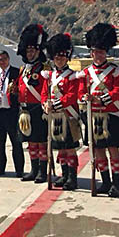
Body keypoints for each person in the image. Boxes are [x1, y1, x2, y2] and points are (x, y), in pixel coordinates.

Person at [78, 23, 119, 198]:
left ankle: (117, 184)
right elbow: (80, 92)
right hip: (93, 116)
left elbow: (118, 91)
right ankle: (105, 181)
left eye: (101, 52)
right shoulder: (85, 72)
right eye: (95, 52)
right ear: (91, 53)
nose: (98, 55)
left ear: (105, 52)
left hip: (110, 115)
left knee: (113, 150)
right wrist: (86, 98)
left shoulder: (115, 71)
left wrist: (100, 99)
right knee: (98, 150)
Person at [41, 34, 81, 190]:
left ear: (67, 58)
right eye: (57, 57)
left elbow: (72, 96)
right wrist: (45, 104)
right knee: (60, 149)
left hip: (68, 115)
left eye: (63, 57)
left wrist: (55, 104)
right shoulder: (49, 76)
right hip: (54, 117)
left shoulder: (72, 76)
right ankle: (64, 175)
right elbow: (44, 93)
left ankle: (72, 177)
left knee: (69, 148)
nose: (60, 60)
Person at [16, 24, 49, 183]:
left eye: (33, 51)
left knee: (41, 143)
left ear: (38, 51)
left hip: (38, 110)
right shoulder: (23, 69)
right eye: (28, 51)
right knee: (31, 143)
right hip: (25, 110)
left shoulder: (44, 68)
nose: (30, 54)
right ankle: (33, 169)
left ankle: (42, 172)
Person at [0, 50, 24, 177]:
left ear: (8, 59)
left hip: (12, 113)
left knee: (16, 143)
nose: (2, 62)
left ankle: (19, 170)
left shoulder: (16, 73)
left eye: (3, 59)